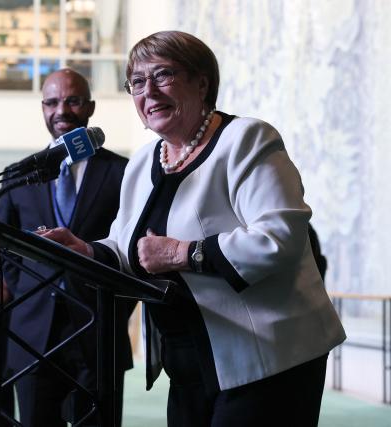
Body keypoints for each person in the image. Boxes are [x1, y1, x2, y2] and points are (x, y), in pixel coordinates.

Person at [39, 31, 346, 427]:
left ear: (202, 83)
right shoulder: (142, 161)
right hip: (188, 361)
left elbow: (278, 239)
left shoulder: (247, 140)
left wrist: (184, 253)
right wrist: (87, 251)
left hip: (269, 357)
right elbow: (125, 247)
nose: (148, 91)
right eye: (136, 82)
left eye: (163, 75)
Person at [0, 68, 134, 426]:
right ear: (42, 108)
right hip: (32, 334)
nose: (62, 111)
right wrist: (26, 283)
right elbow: (2, 247)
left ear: (89, 107)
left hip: (97, 328)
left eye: (72, 101)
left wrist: (116, 308)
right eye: (52, 102)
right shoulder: (19, 173)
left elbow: (132, 245)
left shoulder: (123, 173)